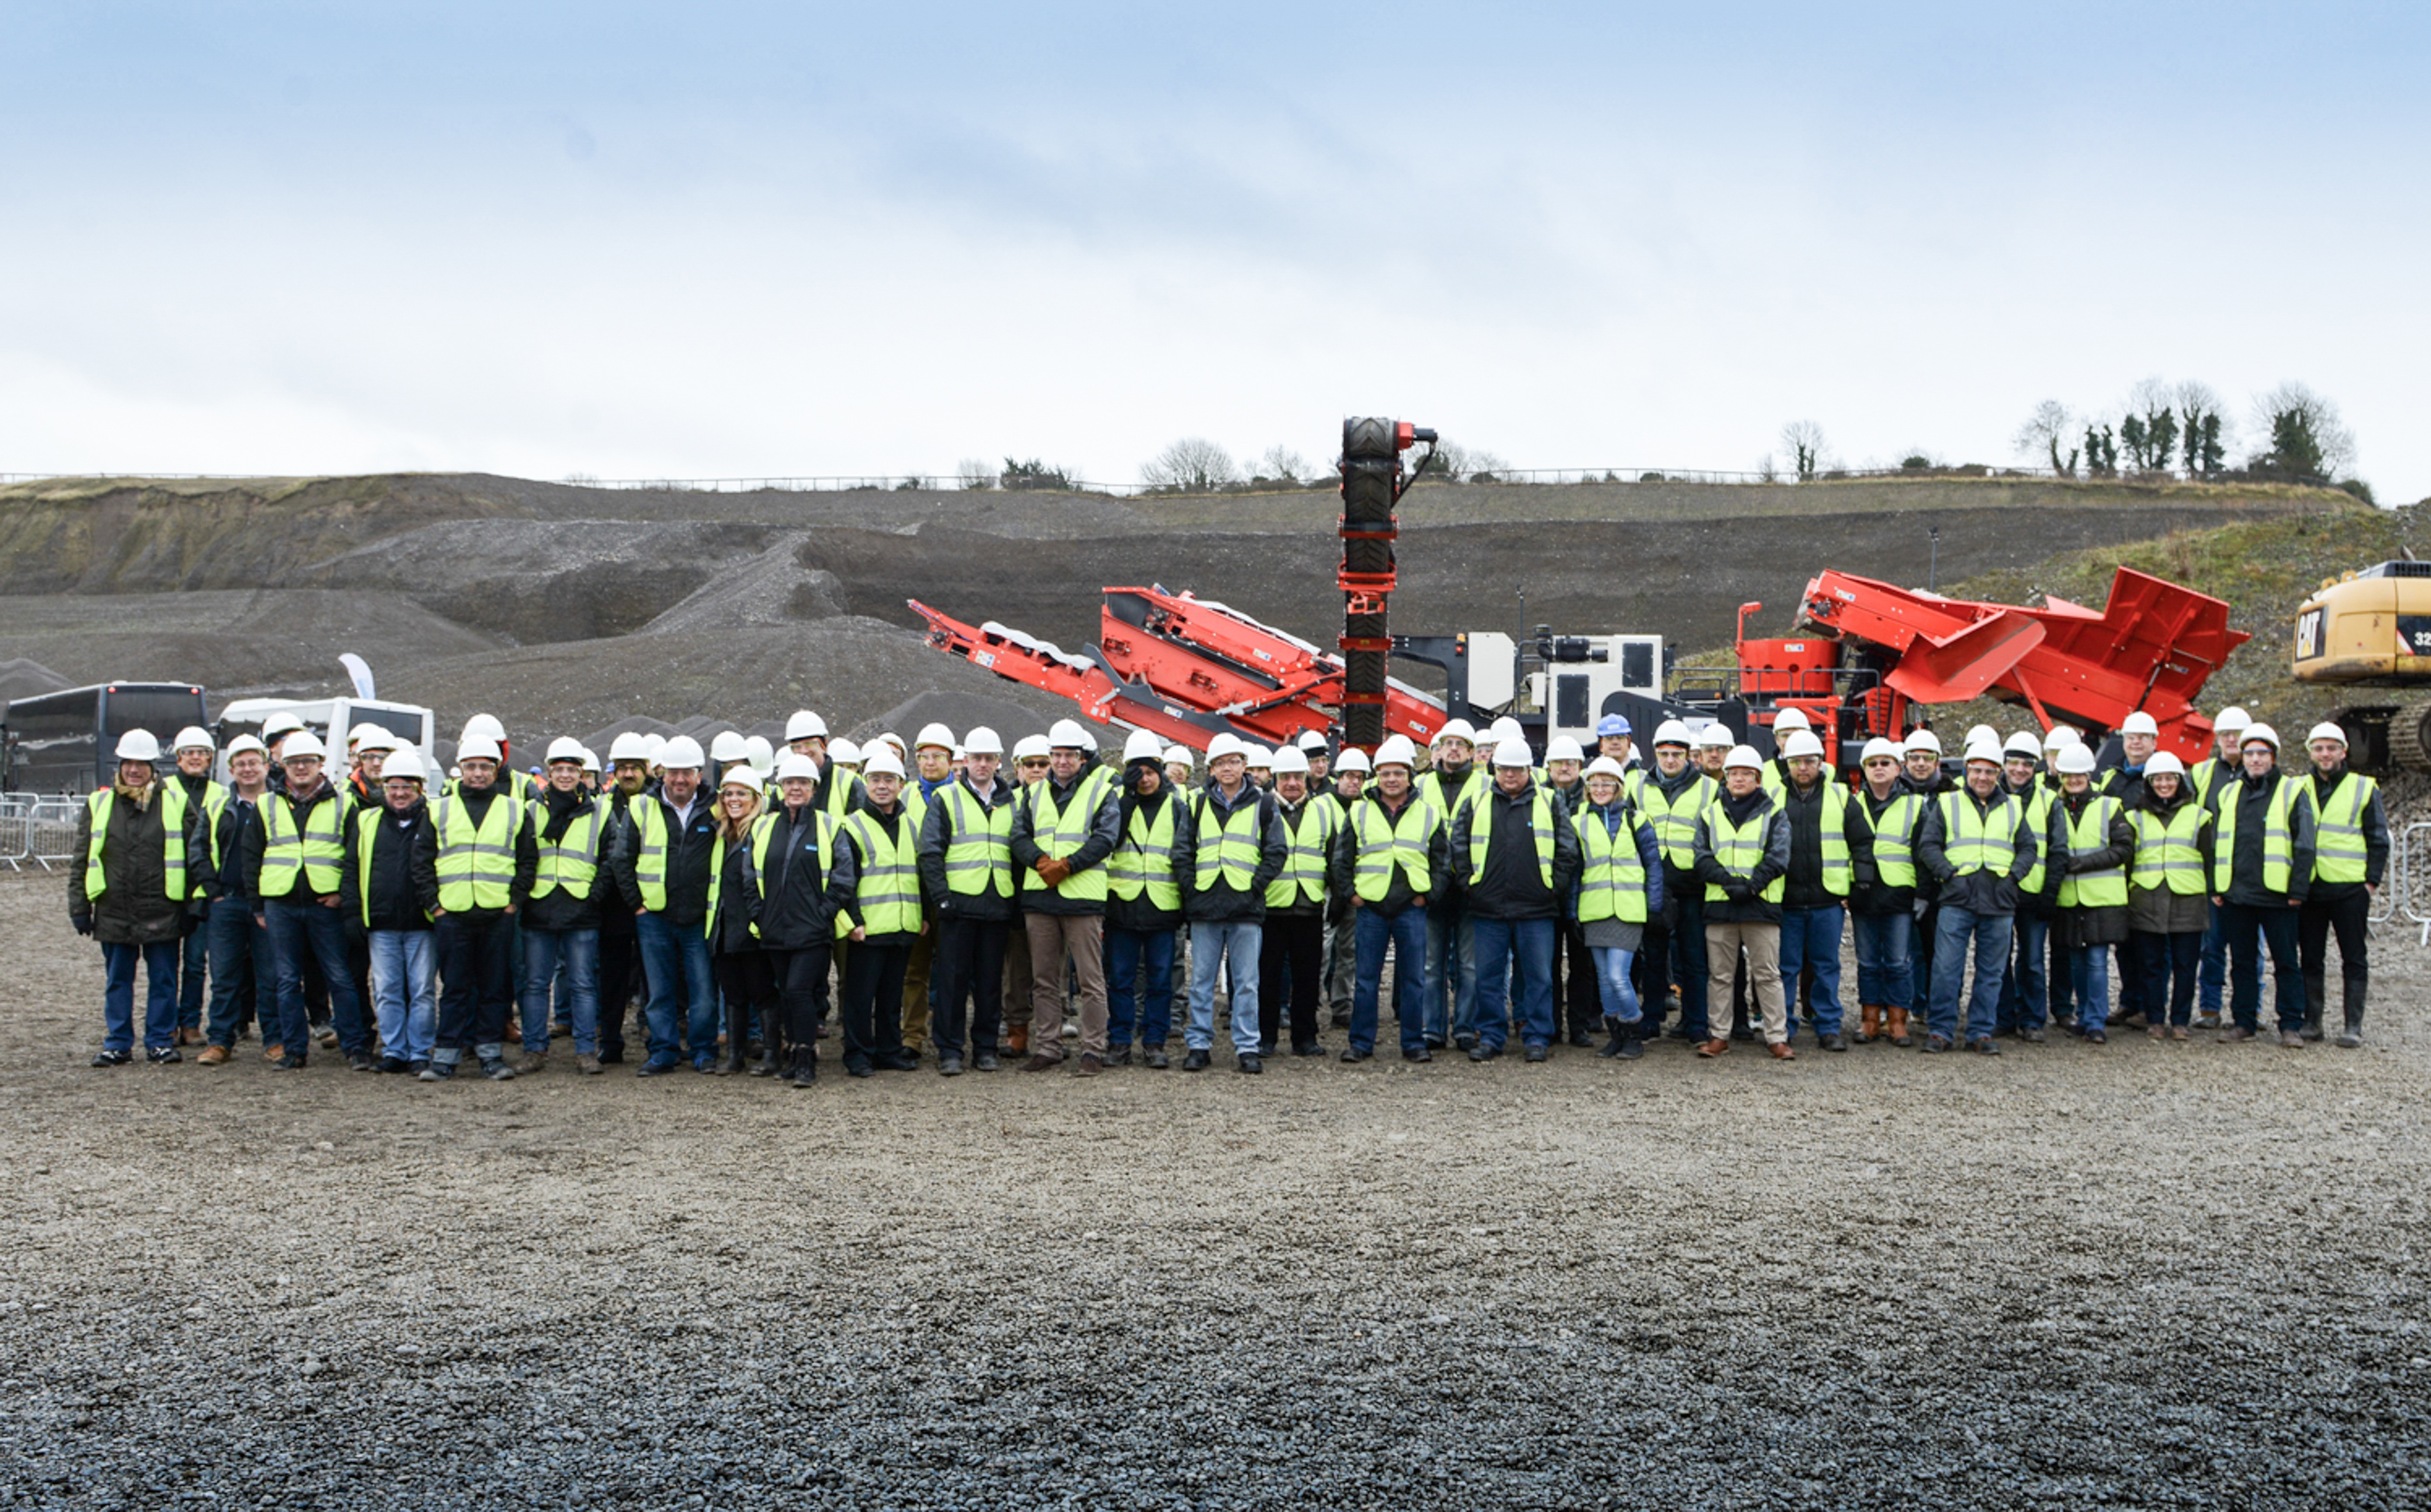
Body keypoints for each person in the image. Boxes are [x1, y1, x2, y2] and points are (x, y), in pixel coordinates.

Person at [73, 730, 213, 1065]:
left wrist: (196, 903)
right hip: (114, 909)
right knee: (117, 980)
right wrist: (79, 905)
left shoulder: (177, 804)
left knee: (164, 980)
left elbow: (197, 856)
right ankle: (118, 1042)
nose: (134, 770)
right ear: (120, 765)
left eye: (141, 763)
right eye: (128, 763)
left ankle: (160, 1041)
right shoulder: (99, 803)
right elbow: (82, 858)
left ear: (153, 767)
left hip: (162, 908)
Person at [244, 731, 374, 1072]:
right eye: (294, 762)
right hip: (280, 904)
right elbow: (251, 856)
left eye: (308, 762)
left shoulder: (345, 804)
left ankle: (355, 1047)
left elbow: (354, 858)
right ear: (283, 766)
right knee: (286, 981)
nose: (301, 768)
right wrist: (258, 906)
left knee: (340, 977)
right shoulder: (267, 804)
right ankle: (294, 1050)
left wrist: (343, 898)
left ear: (320, 765)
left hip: (325, 905)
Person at [1452, 738, 1583, 1063]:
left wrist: (1552, 888)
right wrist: (1470, 885)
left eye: (1517, 769)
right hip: (1488, 908)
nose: (1510, 775)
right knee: (1489, 978)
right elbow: (1459, 845)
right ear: (1495, 769)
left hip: (1537, 909)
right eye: (1504, 769)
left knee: (1539, 977)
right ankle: (1492, 1036)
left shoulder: (1550, 801)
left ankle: (1538, 1036)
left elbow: (1568, 849)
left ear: (1529, 770)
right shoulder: (1476, 801)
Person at [1916, 737, 2041, 1055]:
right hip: (1958, 898)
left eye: (1989, 771)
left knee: (1991, 972)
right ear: (1967, 771)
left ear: (1998, 773)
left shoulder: (2013, 807)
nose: (1982, 778)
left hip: (1999, 900)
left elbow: (2029, 847)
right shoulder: (1948, 803)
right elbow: (1928, 846)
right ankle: (1941, 1030)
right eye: (1976, 771)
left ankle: (1980, 1032)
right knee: (1946, 968)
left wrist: (2013, 877)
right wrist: (1949, 874)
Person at [1010, 719, 1120, 1073]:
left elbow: (1105, 840)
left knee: (1090, 980)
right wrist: (1041, 862)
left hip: (1083, 900)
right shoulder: (1033, 793)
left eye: (1068, 755)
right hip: (1041, 899)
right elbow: (1018, 837)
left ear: (1082, 758)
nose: (1060, 762)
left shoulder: (1102, 793)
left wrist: (1068, 866)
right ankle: (1048, 1046)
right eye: (1055, 755)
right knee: (1044, 980)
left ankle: (1092, 1049)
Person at [425, 733, 535, 1081]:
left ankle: (490, 1055)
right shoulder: (439, 809)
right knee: (455, 988)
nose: (477, 773)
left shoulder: (514, 810)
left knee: (493, 989)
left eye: (484, 767)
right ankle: (445, 1057)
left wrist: (513, 903)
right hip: (453, 915)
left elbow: (528, 862)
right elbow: (421, 862)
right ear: (459, 769)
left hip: (496, 914)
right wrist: (435, 906)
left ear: (495, 769)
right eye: (470, 766)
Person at [744, 752, 857, 1086]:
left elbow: (844, 876)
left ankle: (806, 1057)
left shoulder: (830, 826)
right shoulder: (763, 827)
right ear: (779, 787)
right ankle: (793, 1055)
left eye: (803, 783)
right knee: (784, 992)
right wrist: (759, 914)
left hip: (813, 931)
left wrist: (824, 914)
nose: (796, 788)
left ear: (813, 788)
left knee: (799, 991)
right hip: (775, 928)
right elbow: (749, 876)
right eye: (790, 782)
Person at [614, 734, 724, 1076]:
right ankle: (663, 1051)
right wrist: (638, 905)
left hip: (699, 918)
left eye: (686, 773)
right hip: (655, 918)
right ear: (662, 773)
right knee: (659, 992)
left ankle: (703, 1050)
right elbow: (622, 860)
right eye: (673, 772)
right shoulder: (642, 808)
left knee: (703, 992)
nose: (679, 779)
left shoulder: (716, 809)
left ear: (699, 775)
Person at [1180, 732, 1286, 1073]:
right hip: (1206, 905)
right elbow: (1182, 851)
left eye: (1234, 761)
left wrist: (1255, 887)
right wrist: (1191, 891)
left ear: (1245, 765)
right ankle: (1198, 1044)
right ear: (1211, 769)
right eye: (1220, 763)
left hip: (1246, 907)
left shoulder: (1265, 804)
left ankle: (1247, 1046)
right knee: (1201, 982)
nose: (1227, 768)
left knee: (1246, 983)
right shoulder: (1196, 804)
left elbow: (1276, 852)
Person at [1336, 735, 1445, 1062]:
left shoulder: (1429, 813)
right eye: (1385, 773)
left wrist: (1428, 896)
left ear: (1409, 776)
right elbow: (1341, 859)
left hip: (1412, 908)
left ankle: (1413, 1043)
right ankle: (1360, 1043)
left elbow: (1442, 861)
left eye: (1398, 772)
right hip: (1370, 908)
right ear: (1376, 776)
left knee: (1414, 980)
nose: (1392, 779)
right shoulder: (1359, 812)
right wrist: (1352, 896)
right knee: (1366, 980)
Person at [2207, 723, 2314, 1046]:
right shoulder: (2229, 793)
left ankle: (2291, 1024)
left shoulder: (2293, 791)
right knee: (2241, 963)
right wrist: (2216, 886)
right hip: (2237, 894)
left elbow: (2305, 844)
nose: (2255, 759)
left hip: (2278, 896)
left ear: (2273, 757)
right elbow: (2216, 844)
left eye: (2262, 754)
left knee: (2285, 962)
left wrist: (2298, 890)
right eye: (2250, 753)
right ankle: (2244, 1021)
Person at [918, 727, 1017, 1075]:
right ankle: (950, 1050)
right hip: (958, 905)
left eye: (989, 758)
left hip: (997, 902)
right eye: (977, 758)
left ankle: (986, 1048)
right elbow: (930, 851)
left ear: (998, 762)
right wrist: (941, 898)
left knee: (990, 981)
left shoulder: (1011, 802)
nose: (983, 764)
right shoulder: (946, 799)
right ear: (965, 761)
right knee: (952, 981)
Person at [340, 744, 440, 1074]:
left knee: (423, 990)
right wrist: (354, 912)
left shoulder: (434, 819)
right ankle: (395, 1050)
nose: (399, 794)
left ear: (419, 789)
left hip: (422, 922)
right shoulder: (367, 820)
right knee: (387, 990)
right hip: (381, 922)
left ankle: (420, 1051)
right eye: (392, 786)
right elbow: (352, 868)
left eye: (406, 787)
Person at [1775, 729, 1873, 1052]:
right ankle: (1783, 1027)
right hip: (1786, 899)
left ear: (1821, 762)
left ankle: (1828, 1026)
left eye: (1809, 761)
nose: (1803, 767)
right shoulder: (1773, 797)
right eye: (1797, 762)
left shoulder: (1842, 796)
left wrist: (1859, 886)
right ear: (1787, 763)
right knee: (1786, 968)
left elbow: (1862, 843)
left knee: (1826, 966)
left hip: (1827, 899)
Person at [1691, 745, 1791, 1059]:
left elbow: (1779, 857)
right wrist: (1729, 883)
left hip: (1760, 906)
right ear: (1726, 778)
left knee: (1768, 974)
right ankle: (1719, 1035)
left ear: (1758, 779)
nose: (1738, 779)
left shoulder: (1775, 813)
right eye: (1733, 774)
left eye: (1746, 774)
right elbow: (1701, 857)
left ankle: (1777, 1036)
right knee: (1720, 976)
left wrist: (1750, 887)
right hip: (1721, 905)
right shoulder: (1709, 814)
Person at [2293, 721, 2387, 1048]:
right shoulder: (2297, 787)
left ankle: (2352, 1026)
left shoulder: (2363, 788)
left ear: (2343, 752)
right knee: (2311, 957)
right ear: (2310, 752)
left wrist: (2370, 883)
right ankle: (2312, 1021)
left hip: (2349, 889)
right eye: (2318, 748)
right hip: (2311, 888)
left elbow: (2378, 839)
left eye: (2331, 748)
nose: (2325, 754)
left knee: (2354, 957)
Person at [518, 738, 608, 1074]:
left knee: (583, 984)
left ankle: (586, 1051)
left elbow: (608, 858)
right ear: (549, 772)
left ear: (581, 773)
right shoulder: (531, 810)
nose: (566, 776)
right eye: (560, 770)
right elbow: (523, 858)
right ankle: (534, 1049)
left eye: (572, 770)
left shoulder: (598, 811)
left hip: (580, 909)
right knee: (536, 984)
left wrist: (593, 895)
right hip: (539, 908)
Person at [1100, 729, 1190, 1067]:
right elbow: (1111, 838)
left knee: (1160, 981)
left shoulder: (1178, 807)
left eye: (1151, 772)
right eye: (1138, 773)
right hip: (1123, 906)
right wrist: (1127, 797)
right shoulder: (1118, 804)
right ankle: (1120, 1041)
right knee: (1120, 979)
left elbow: (1184, 855)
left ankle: (1155, 1042)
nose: (1146, 779)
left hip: (1163, 907)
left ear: (1161, 771)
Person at [835, 746, 925, 1076]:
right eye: (875, 779)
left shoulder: (911, 826)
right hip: (867, 930)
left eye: (889, 779)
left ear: (901, 785)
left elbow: (919, 877)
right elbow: (844, 881)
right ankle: (858, 1055)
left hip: (902, 926)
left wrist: (924, 916)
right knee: (861, 997)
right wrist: (854, 922)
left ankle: (888, 1050)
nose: (882, 786)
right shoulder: (851, 826)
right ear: (866, 783)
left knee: (890, 997)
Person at [1570, 756, 1663, 1058]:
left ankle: (1634, 1034)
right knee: (1604, 981)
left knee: (1618, 977)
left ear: (1619, 786)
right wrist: (1572, 910)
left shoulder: (1638, 820)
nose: (1600, 789)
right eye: (1594, 783)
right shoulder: (1578, 821)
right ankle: (1617, 1037)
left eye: (1607, 783)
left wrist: (1654, 905)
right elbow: (1575, 871)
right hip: (1594, 909)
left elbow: (1653, 865)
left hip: (1628, 909)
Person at [2048, 743, 2134, 1044]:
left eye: (2078, 775)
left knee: (2097, 961)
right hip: (2068, 899)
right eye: (2068, 775)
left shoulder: (2110, 806)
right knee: (2076, 963)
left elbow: (2124, 849)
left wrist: (2081, 864)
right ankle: (2085, 1016)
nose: (2073, 780)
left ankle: (2096, 1021)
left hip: (2101, 898)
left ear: (2088, 774)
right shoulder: (2053, 806)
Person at [197, 735, 275, 1064]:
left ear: (266, 766)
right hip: (227, 903)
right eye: (240, 764)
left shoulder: (279, 804)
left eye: (253, 763)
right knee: (225, 976)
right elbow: (198, 849)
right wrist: (213, 891)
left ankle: (276, 1040)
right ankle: (220, 1041)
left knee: (272, 975)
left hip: (269, 903)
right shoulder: (217, 807)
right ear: (231, 770)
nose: (247, 769)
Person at [1636, 721, 1714, 1044]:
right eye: (1664, 754)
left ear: (1688, 756)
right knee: (1653, 957)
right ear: (1656, 753)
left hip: (1692, 885)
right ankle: (1652, 1019)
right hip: (1655, 884)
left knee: (1695, 959)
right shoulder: (1639, 786)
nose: (1670, 760)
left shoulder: (1709, 787)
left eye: (1677, 754)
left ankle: (1696, 1022)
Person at [2126, 751, 2213, 1041]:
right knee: (2150, 965)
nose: (2164, 784)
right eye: (2158, 779)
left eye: (2170, 779)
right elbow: (2127, 861)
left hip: (2187, 899)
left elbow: (2209, 859)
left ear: (2180, 781)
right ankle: (2154, 1019)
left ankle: (2180, 1021)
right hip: (2147, 899)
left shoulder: (2200, 816)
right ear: (2149, 783)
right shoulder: (2134, 817)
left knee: (2185, 966)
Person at [1259, 743, 1336, 1057]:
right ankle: (1266, 1038)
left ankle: (1305, 1037)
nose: (1292, 783)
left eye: (1298, 777)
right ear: (1275, 779)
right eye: (1285, 777)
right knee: (1268, 977)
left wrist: (1338, 900)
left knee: (1307, 978)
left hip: (1309, 906)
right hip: (1271, 908)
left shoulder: (1322, 810)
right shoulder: (1262, 809)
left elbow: (1333, 856)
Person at [1417, 719, 1485, 1050]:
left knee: (1469, 966)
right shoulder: (1420, 785)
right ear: (1439, 749)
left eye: (1461, 744)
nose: (1454, 749)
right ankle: (1432, 1029)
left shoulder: (1486, 786)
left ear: (1472, 752)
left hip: (1470, 887)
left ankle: (1465, 1028)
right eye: (1449, 743)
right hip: (1433, 887)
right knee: (1431, 964)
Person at [1850, 737, 1923, 1047]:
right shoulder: (1850, 803)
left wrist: (1923, 894)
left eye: (1885, 763)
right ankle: (1869, 1020)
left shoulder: (1916, 805)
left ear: (1898, 768)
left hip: (1898, 894)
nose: (1879, 769)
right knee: (1867, 961)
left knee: (1897, 962)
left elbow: (1923, 853)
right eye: (1872, 764)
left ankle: (1897, 1021)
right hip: (1862, 893)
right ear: (1863, 770)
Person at [706, 766, 778, 1076]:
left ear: (756, 799)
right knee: (733, 994)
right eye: (729, 794)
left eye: (741, 794)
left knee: (763, 993)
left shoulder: (762, 832)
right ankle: (734, 1056)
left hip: (752, 928)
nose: (734, 800)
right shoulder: (721, 835)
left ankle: (772, 1055)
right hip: (724, 928)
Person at [897, 722, 959, 1060]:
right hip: (916, 895)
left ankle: (949, 1039)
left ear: (951, 760)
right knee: (915, 972)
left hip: (953, 895)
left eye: (937, 756)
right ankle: (913, 1038)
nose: (930, 762)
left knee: (951, 970)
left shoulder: (962, 795)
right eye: (923, 756)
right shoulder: (905, 796)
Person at [594, 731, 656, 1063]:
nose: (628, 773)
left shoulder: (659, 805)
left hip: (652, 908)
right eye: (622, 767)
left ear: (647, 768)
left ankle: (655, 1039)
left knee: (655, 980)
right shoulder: (600, 808)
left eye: (634, 767)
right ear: (613, 771)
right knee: (613, 979)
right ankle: (611, 1040)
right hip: (614, 908)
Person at [2189, 705, 2250, 1028]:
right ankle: (2210, 1009)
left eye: (2236, 734)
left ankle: (2248, 1008)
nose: (2230, 739)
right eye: (2225, 734)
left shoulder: (2260, 772)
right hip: (2211, 877)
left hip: (2250, 877)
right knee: (2211, 946)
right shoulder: (2201, 774)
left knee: (2249, 951)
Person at [1995, 731, 2059, 1038]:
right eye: (2014, 763)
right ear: (2003, 764)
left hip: (2034, 894)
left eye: (2027, 764)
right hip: (1999, 894)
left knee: (2032, 960)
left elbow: (2058, 850)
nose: (2020, 770)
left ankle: (2033, 1019)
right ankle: (2004, 1016)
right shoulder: (1990, 796)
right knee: (1998, 961)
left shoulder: (2049, 801)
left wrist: (2049, 893)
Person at [1539, 735, 1600, 1047]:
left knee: (1582, 966)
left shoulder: (1595, 798)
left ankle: (1580, 1025)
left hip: (1586, 893)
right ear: (1547, 766)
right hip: (1546, 894)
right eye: (1559, 763)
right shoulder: (1536, 798)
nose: (1565, 768)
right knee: (1546, 967)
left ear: (1580, 766)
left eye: (1571, 763)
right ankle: (1550, 1026)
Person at [164, 726, 221, 1045]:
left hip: (204, 891)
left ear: (210, 757)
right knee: (168, 964)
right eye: (189, 752)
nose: (196, 757)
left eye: (201, 752)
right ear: (178, 757)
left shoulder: (221, 793)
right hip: (171, 890)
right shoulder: (163, 789)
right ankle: (168, 1022)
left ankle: (190, 1022)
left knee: (197, 964)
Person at [1322, 745, 1370, 1028]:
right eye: (1349, 776)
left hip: (1356, 891)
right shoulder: (1322, 805)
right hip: (1327, 891)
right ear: (1338, 777)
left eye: (1359, 777)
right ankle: (1310, 1004)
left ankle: (1342, 1005)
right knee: (1322, 950)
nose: (1354, 782)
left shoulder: (1367, 808)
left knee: (1349, 952)